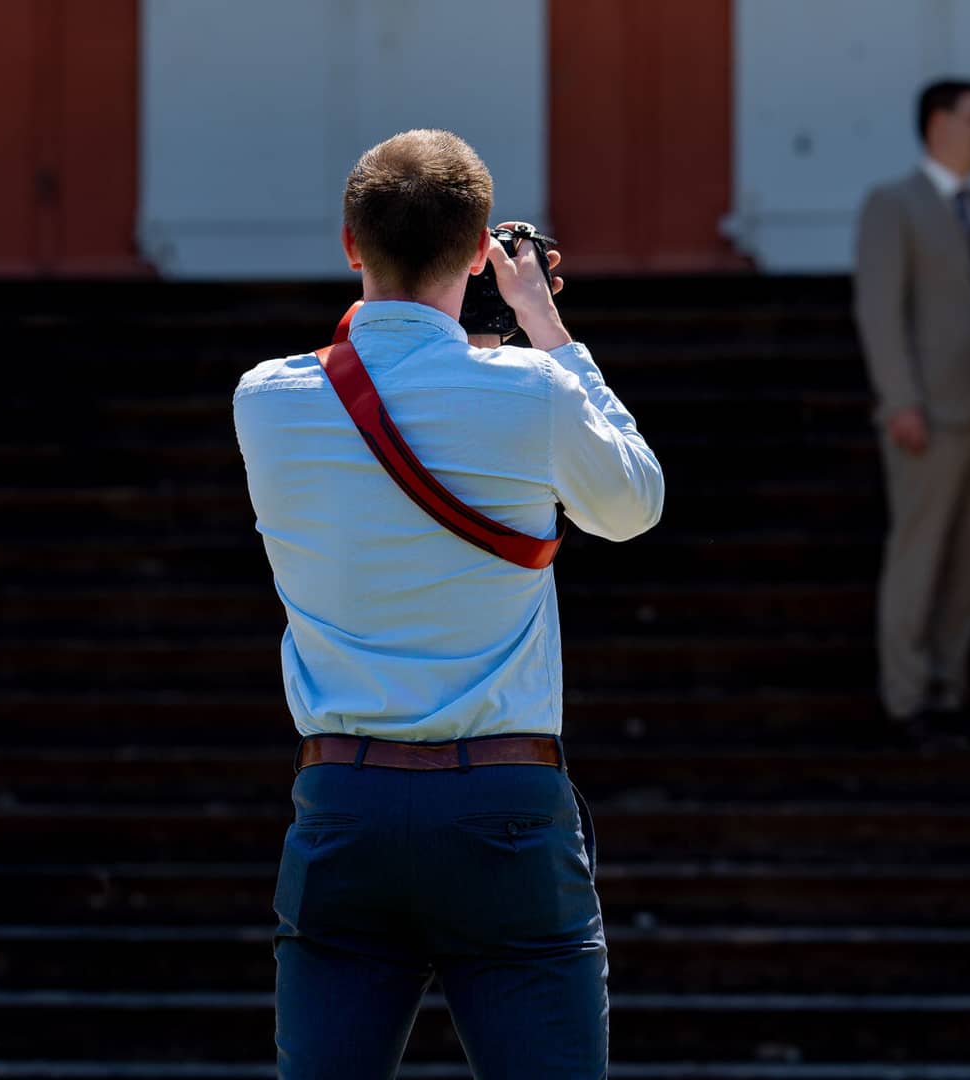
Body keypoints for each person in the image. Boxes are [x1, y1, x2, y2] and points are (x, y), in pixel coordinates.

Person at [233, 129, 664, 1077]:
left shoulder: (264, 399)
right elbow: (635, 505)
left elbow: (377, 372)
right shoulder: (533, 390)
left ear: (350, 244)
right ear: (480, 255)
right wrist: (546, 326)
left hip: (344, 797)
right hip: (504, 801)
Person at [854, 78, 970, 740]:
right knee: (920, 555)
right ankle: (907, 696)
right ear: (938, 125)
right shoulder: (891, 205)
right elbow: (880, 309)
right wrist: (900, 400)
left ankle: (951, 685)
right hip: (926, 413)